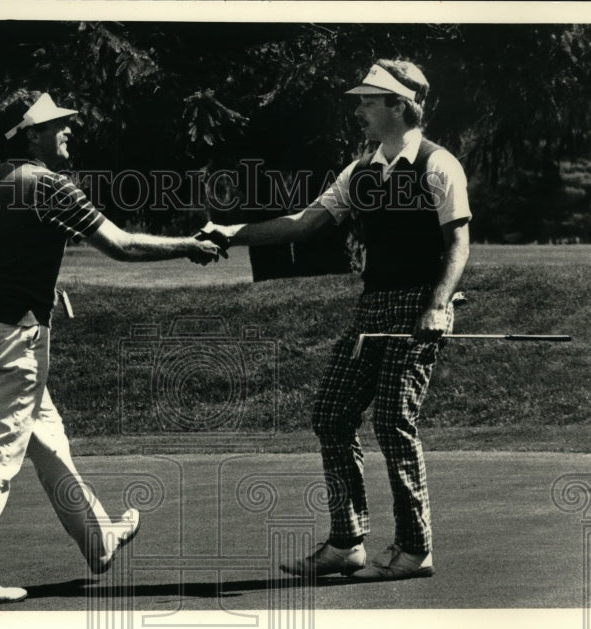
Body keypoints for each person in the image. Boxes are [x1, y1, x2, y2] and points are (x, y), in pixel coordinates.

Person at [0, 90, 223, 604]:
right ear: (31, 135)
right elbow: (120, 244)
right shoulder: (50, 185)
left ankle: (98, 538)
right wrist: (187, 245)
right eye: (56, 124)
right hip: (15, 336)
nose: (69, 129)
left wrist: (0, 266)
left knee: (48, 440)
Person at [200, 60, 471, 582]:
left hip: (420, 306)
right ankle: (347, 543)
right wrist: (232, 232)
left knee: (392, 421)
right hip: (373, 306)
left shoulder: (439, 165)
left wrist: (438, 306)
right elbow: (303, 224)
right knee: (331, 413)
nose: (359, 109)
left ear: (400, 106)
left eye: (370, 100)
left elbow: (458, 243)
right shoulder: (360, 171)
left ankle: (415, 549)